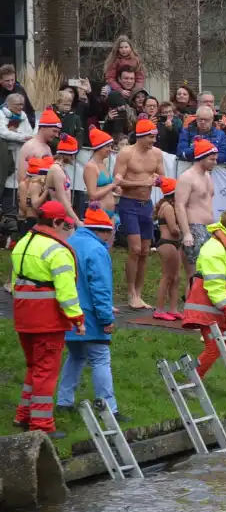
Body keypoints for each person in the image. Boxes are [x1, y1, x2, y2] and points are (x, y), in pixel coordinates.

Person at [10, 201, 85, 438]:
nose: (67, 228)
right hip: (47, 320)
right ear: (56, 222)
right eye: (66, 224)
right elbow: (66, 291)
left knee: (34, 367)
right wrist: (77, 318)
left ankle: (24, 415)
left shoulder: (22, 243)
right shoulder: (57, 250)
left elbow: (14, 284)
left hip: (23, 316)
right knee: (45, 371)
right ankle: (41, 426)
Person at [57, 204, 123, 422]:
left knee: (75, 356)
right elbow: (100, 288)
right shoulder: (97, 250)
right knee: (100, 360)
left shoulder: (69, 243)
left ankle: (64, 402)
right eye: (110, 232)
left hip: (69, 314)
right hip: (91, 317)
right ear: (101, 230)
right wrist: (106, 318)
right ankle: (109, 409)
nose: (111, 237)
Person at [181, 207, 226, 386]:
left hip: (221, 306)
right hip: (210, 307)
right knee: (214, 348)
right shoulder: (215, 249)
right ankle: (192, 381)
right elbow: (215, 284)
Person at [175, 137, 218, 284]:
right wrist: (186, 233)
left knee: (207, 274)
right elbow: (179, 205)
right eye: (212, 159)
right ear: (201, 158)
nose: (215, 162)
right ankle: (190, 306)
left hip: (209, 228)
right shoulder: (187, 177)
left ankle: (199, 306)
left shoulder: (207, 176)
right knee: (194, 276)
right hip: (194, 227)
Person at [152, 178, 183, 321]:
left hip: (173, 244)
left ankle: (173, 308)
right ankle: (159, 309)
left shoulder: (169, 205)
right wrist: (185, 231)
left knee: (176, 278)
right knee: (167, 277)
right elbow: (173, 229)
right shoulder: (168, 207)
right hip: (168, 243)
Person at [43, 131, 83, 225]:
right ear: (67, 155)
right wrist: (77, 221)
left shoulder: (61, 169)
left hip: (63, 213)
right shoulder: (56, 170)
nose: (74, 158)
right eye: (73, 154)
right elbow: (62, 198)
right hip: (56, 215)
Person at [83, 126, 119, 226]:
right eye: (107, 146)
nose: (110, 149)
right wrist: (113, 185)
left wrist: (115, 188)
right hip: (98, 213)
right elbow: (93, 195)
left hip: (110, 214)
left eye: (111, 146)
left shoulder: (103, 164)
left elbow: (105, 187)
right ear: (99, 147)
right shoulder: (91, 166)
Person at [17, 106, 60, 180]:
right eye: (54, 131)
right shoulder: (29, 147)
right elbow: (22, 178)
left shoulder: (47, 147)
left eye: (58, 132)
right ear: (43, 128)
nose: (57, 135)